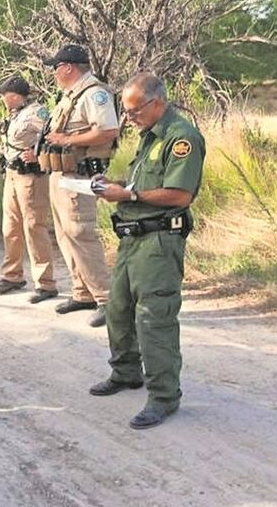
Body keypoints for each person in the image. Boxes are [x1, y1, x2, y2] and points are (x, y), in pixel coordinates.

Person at [90, 73, 206, 429]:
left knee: (154, 319)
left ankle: (163, 397)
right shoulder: (149, 136)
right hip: (131, 239)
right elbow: (142, 183)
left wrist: (128, 195)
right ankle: (126, 372)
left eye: (134, 110)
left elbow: (179, 195)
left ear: (156, 102)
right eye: (125, 111)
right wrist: (115, 186)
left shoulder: (181, 137)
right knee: (119, 309)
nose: (129, 118)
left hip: (159, 242)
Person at [40, 44, 119, 327]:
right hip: (62, 174)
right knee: (64, 234)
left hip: (80, 176)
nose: (53, 73)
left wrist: (68, 141)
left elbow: (108, 130)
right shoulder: (70, 95)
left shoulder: (94, 94)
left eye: (55, 68)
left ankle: (108, 300)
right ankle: (82, 292)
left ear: (68, 67)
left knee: (81, 234)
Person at [0, 76, 58, 304]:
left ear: (14, 95)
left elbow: (54, 136)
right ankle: (12, 275)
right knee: (10, 227)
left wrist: (39, 155)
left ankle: (45, 282)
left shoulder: (37, 113)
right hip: (12, 174)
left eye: (4, 94)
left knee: (33, 227)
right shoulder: (14, 113)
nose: (1, 98)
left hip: (30, 177)